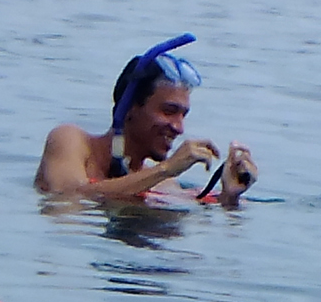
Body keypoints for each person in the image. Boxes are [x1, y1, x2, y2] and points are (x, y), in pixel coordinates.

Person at [36, 36, 257, 206]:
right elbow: (67, 195)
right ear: (130, 106)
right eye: (169, 111)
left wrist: (230, 196)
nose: (179, 128)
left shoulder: (163, 184)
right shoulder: (71, 141)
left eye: (183, 115)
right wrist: (167, 168)